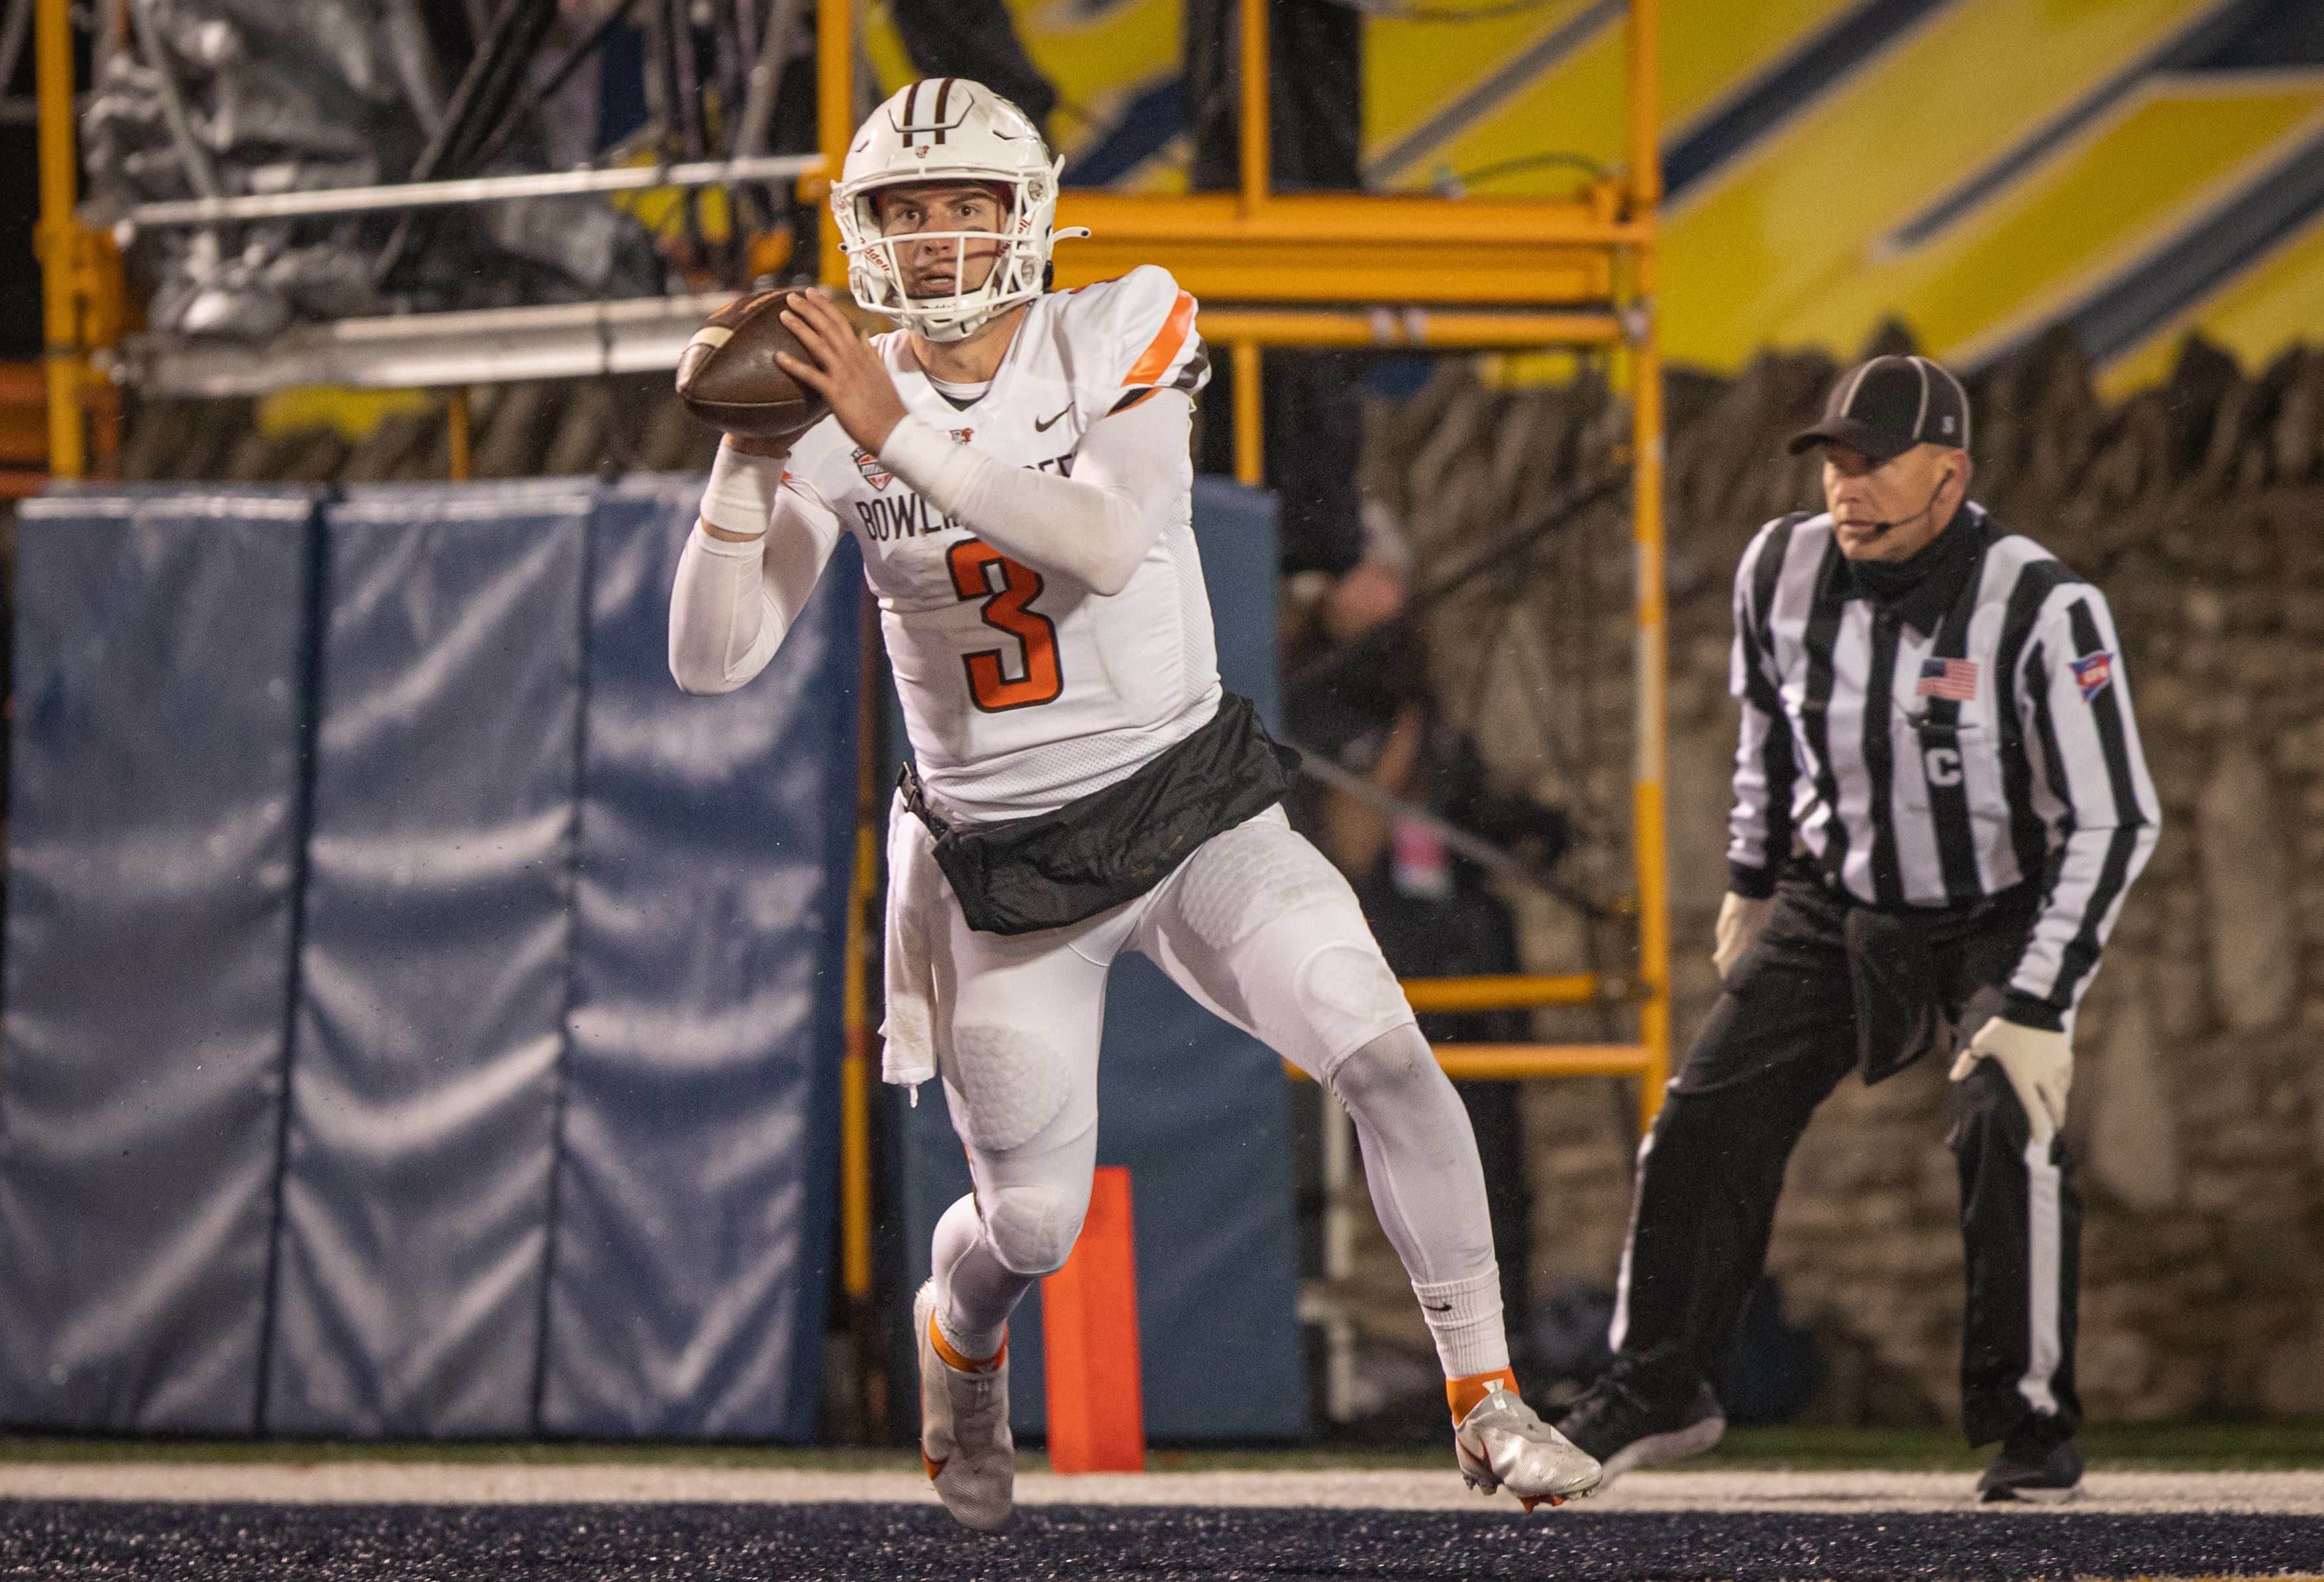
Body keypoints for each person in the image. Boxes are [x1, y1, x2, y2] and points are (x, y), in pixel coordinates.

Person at [665, 79, 1599, 1530]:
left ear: (1024, 213)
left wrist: (888, 426)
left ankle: (1483, 1403)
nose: (935, 240)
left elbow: (1102, 542)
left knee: (1382, 1046)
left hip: (1187, 807)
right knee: (1030, 1225)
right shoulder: (835, 413)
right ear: (865, 231)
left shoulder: (1117, 323)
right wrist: (747, 456)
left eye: (964, 205)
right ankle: (953, 1337)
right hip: (1006, 867)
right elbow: (713, 660)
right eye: (906, 212)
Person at [1556, 355, 2158, 1502]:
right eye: (1836, 460)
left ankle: (2027, 1423)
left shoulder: (2040, 603)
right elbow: (1765, 741)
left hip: (1995, 905)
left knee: (2003, 1117)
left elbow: (2115, 816)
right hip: (1835, 900)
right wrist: (1748, 881)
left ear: (1950, 472)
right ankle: (1657, 1387)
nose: (1850, 486)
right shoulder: (1777, 568)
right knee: (1696, 1124)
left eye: (1875, 463)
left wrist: (2037, 1002)